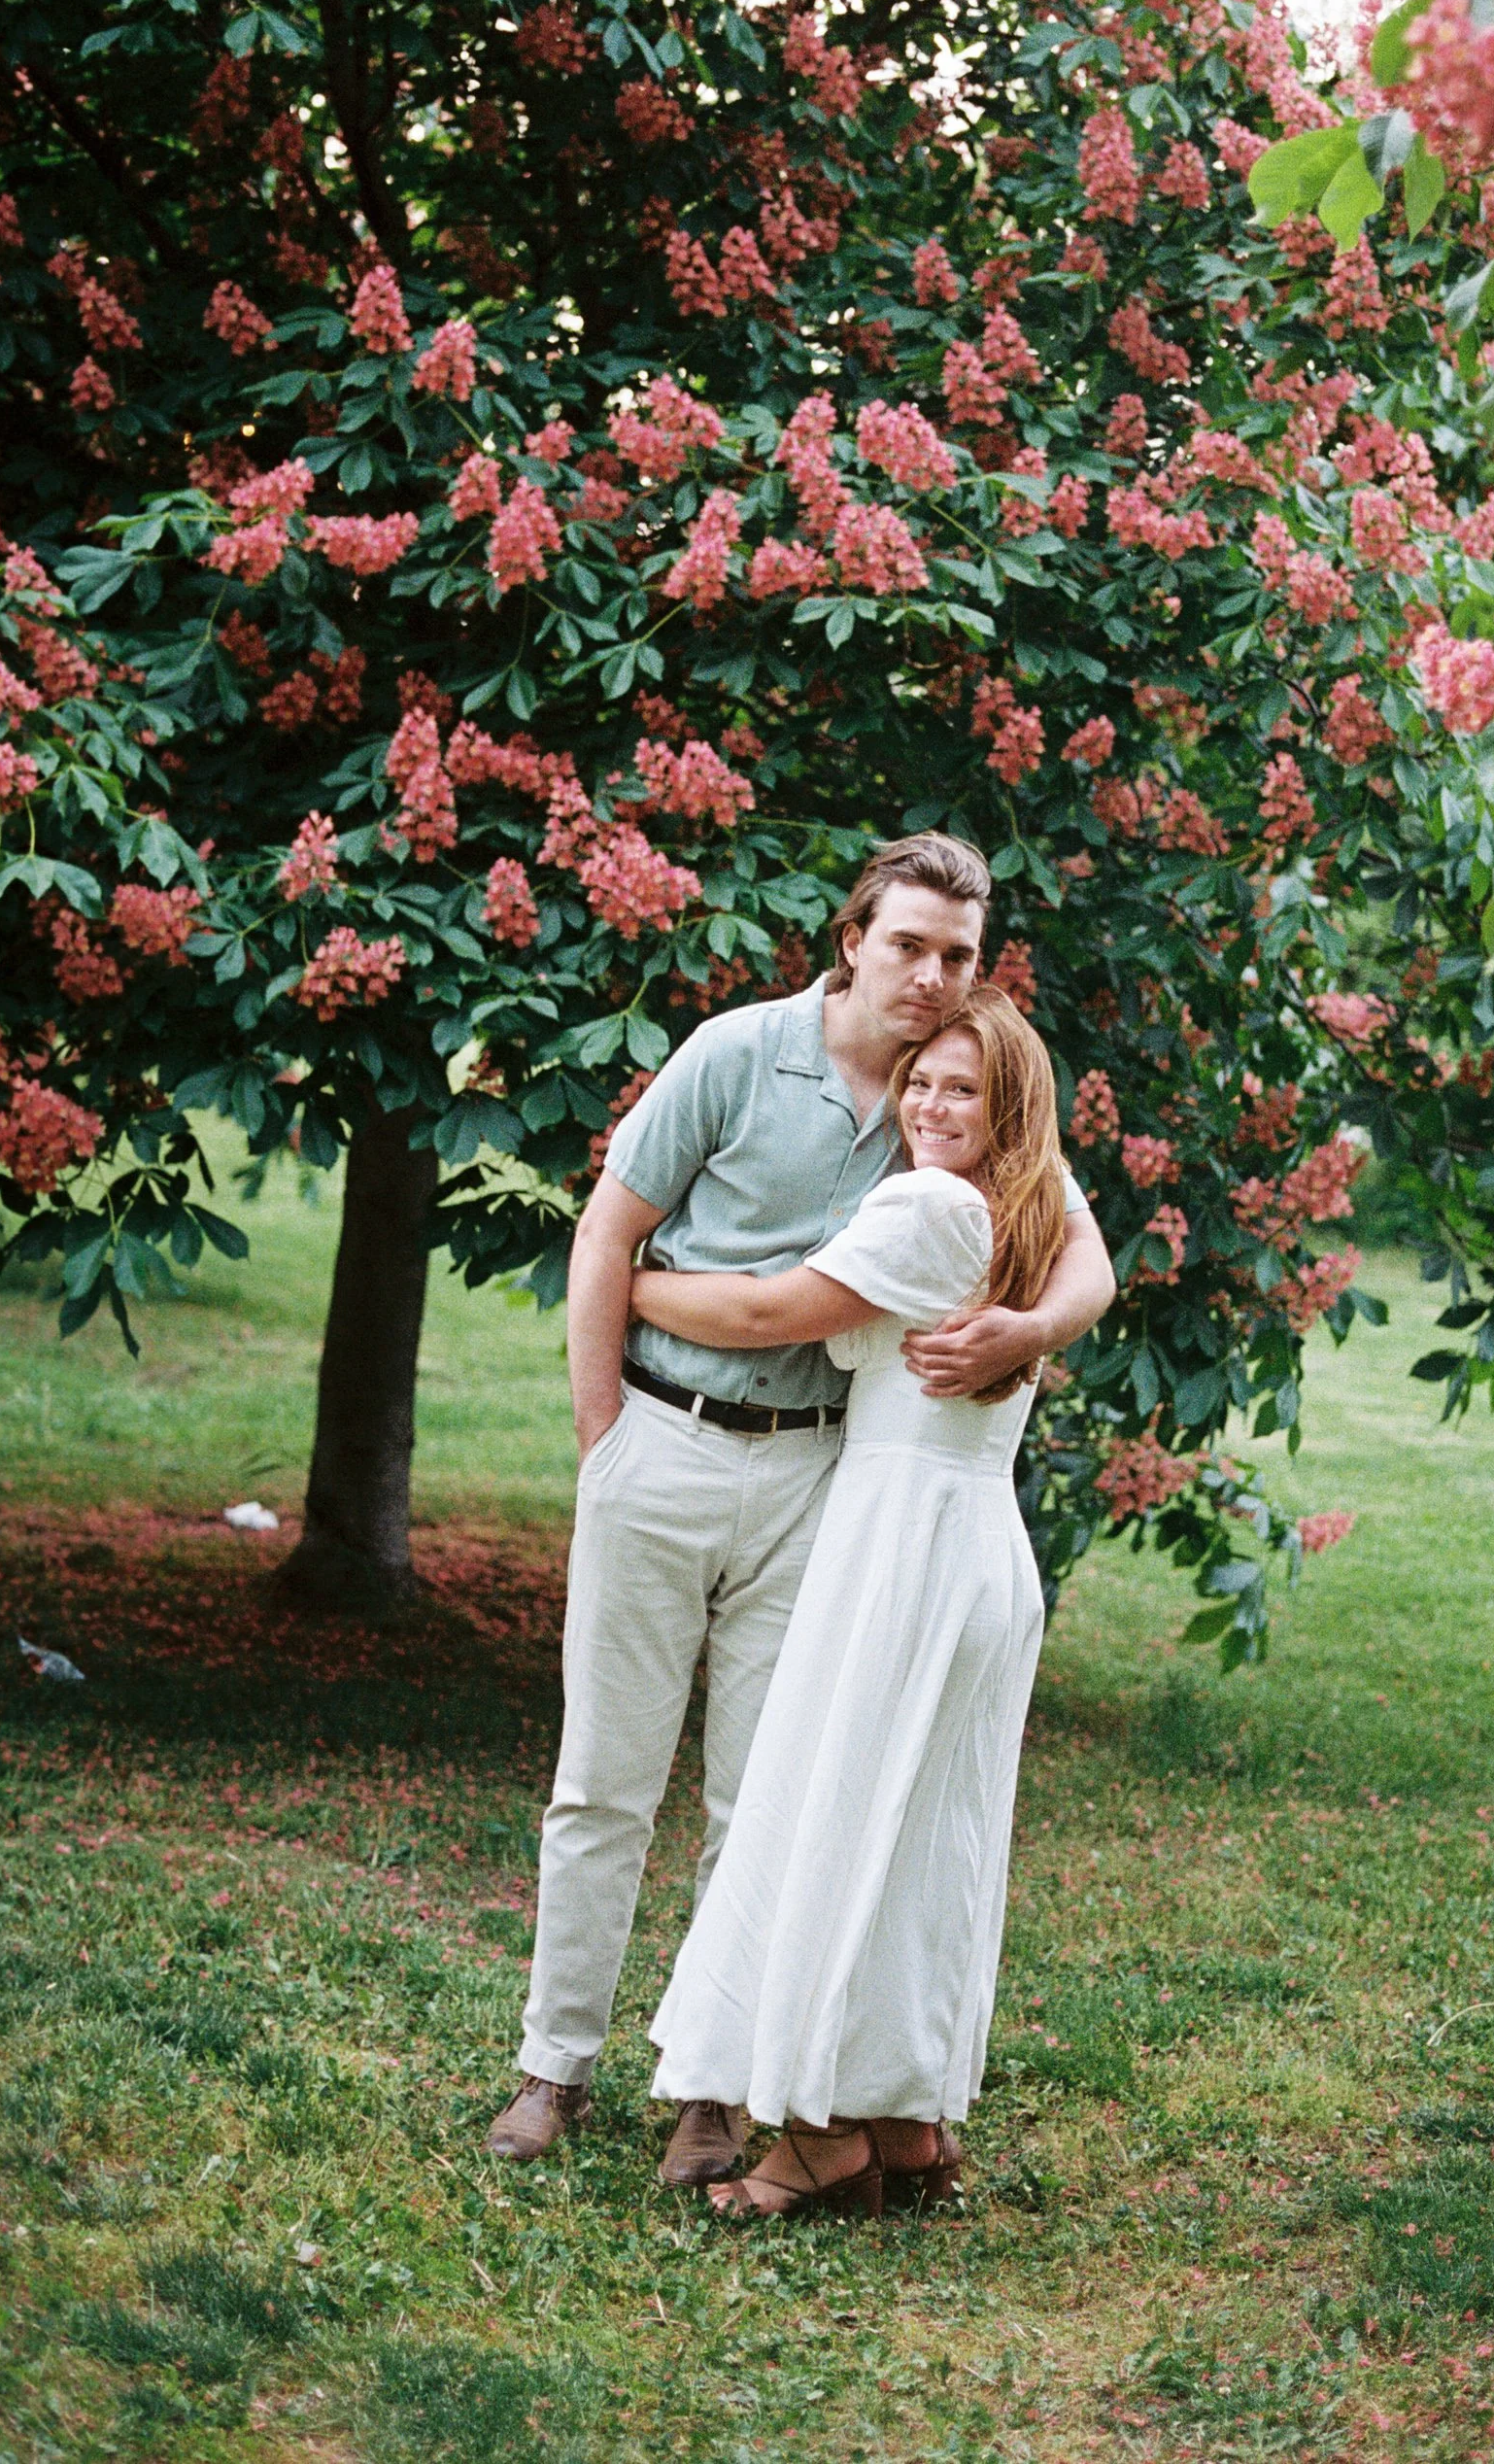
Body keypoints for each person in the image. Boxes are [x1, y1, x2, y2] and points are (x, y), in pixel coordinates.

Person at [488, 835, 1115, 2186]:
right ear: (854, 937)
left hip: (823, 1478)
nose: (935, 976)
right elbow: (609, 1227)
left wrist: (1024, 1329)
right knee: (603, 1781)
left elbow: (1083, 1250)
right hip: (663, 1440)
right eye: (910, 945)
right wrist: (605, 1438)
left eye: (959, 952)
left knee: (761, 1794)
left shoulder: (963, 1087)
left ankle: (716, 2089)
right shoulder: (735, 1052)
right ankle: (556, 2067)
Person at [630, 986, 1068, 2217]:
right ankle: (906, 2120)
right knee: (920, 1840)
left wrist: (633, 1276)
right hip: (973, 1540)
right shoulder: (1027, 1210)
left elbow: (777, 1313)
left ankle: (820, 2134)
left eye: (959, 1089)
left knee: (839, 1821)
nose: (927, 1103)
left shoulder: (930, 1201)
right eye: (918, 1080)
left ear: (1005, 1108)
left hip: (905, 1544)